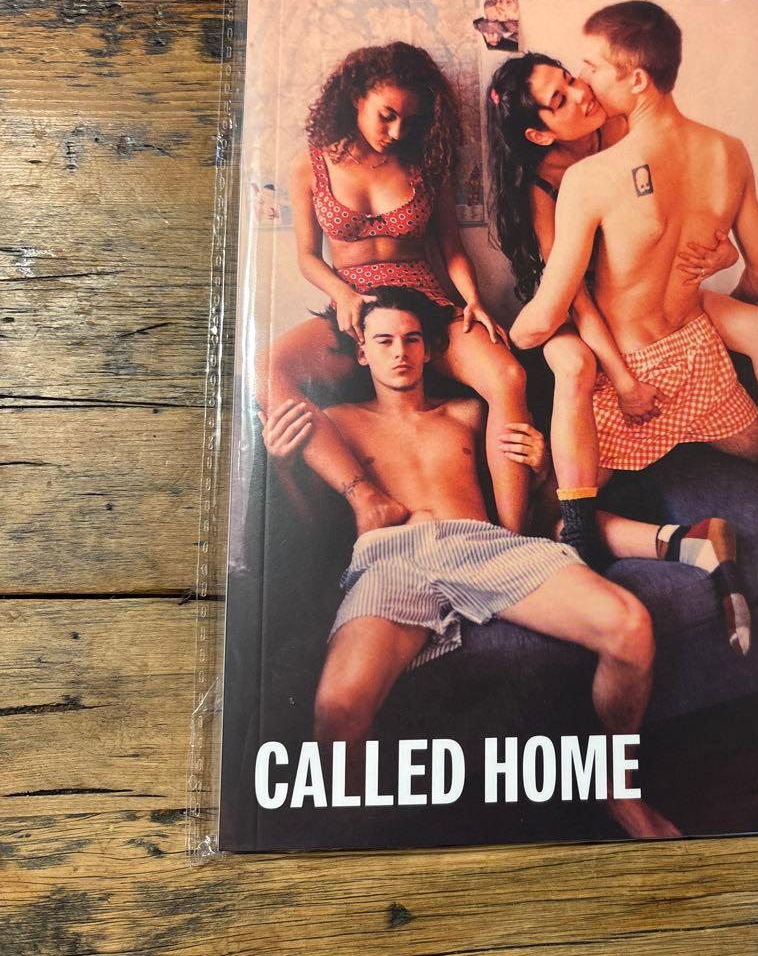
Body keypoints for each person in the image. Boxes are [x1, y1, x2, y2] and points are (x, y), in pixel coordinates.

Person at [267, 285, 680, 839]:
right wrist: (285, 469)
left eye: (412, 339)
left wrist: (541, 466)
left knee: (629, 628)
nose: (400, 352)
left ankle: (618, 789)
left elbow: (533, 502)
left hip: (484, 546)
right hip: (391, 557)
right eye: (384, 341)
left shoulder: (468, 412)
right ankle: (364, 848)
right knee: (338, 711)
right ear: (361, 352)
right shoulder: (335, 423)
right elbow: (313, 526)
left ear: (429, 350)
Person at [509, 2, 758, 488]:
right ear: (538, 133)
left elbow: (541, 320)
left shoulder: (590, 177)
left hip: (633, 363)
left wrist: (511, 337)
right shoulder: (729, 150)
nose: (584, 83)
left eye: (590, 68)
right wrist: (706, 310)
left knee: (562, 505)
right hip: (694, 354)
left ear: (638, 80)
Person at [256, 42, 530, 536]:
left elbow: (451, 248)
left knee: (508, 375)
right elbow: (308, 257)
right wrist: (342, 295)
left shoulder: (425, 162)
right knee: (266, 370)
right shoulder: (310, 166)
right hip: (355, 311)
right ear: (356, 98)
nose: (397, 132)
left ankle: (514, 536)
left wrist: (473, 300)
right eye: (387, 116)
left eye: (410, 119)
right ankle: (366, 499)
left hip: (427, 304)